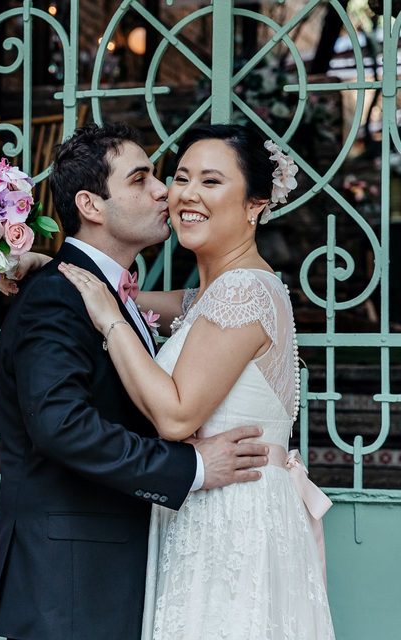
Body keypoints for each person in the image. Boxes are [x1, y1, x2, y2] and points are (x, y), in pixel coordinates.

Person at [0, 123, 270, 640]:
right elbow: (61, 425)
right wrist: (192, 466)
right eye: (141, 180)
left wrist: (48, 261)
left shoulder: (108, 294)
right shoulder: (56, 297)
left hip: (109, 571)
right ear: (91, 205)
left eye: (159, 177)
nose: (164, 191)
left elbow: (198, 307)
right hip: (71, 582)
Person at [56, 124, 335, 638]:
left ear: (254, 205)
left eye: (211, 181)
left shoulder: (243, 292)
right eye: (182, 178)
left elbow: (176, 415)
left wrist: (109, 319)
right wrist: (50, 270)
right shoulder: (214, 295)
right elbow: (144, 300)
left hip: (232, 516)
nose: (186, 194)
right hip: (216, 506)